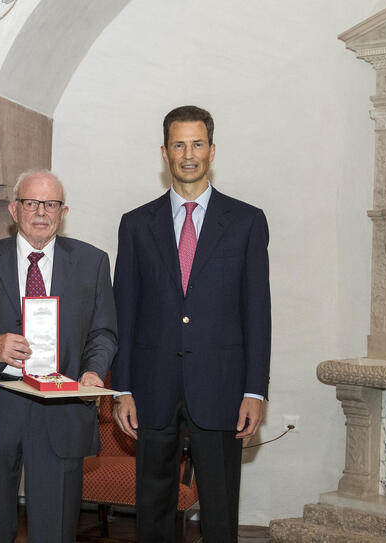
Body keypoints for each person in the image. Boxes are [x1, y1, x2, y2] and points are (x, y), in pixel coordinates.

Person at [111, 105, 270, 542]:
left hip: (221, 385)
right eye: (178, 144)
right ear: (164, 152)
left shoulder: (246, 222)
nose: (188, 154)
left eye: (197, 144)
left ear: (212, 150)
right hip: (151, 387)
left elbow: (257, 312)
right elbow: (123, 311)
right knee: (153, 506)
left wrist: (255, 390)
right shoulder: (135, 225)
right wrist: (122, 388)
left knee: (219, 509)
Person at [0, 170, 116, 542]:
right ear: (13, 209)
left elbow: (103, 332)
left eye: (50, 204)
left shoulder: (92, 262)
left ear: (63, 212)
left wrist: (93, 371)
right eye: (31, 203)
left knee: (55, 529)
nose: (41, 212)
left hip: (60, 410)